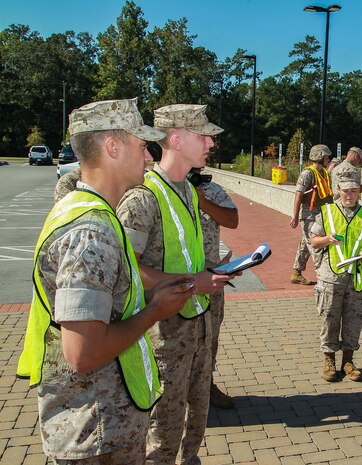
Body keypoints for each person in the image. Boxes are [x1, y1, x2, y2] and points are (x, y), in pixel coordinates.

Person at [17, 98, 198, 464]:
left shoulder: (89, 212)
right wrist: (155, 311)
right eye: (141, 145)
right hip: (97, 434)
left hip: (98, 424)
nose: (148, 156)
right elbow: (84, 353)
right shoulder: (91, 233)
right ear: (112, 148)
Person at [117, 104, 232, 465]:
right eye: (204, 135)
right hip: (162, 338)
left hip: (197, 330)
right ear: (177, 140)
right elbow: (126, 271)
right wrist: (194, 282)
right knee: (162, 439)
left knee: (194, 427)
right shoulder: (143, 197)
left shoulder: (187, 191)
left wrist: (211, 273)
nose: (211, 142)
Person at [310, 169, 362, 382]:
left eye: (353, 190)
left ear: (359, 191)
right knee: (330, 318)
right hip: (331, 275)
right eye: (345, 191)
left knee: (354, 319)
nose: (349, 194)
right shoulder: (327, 212)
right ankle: (329, 359)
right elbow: (314, 241)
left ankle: (348, 361)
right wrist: (327, 239)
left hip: (357, 276)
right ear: (338, 191)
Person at [189, 166, 240, 409]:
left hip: (212, 280)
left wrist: (203, 202)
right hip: (174, 282)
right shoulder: (158, 191)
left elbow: (232, 220)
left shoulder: (211, 190)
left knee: (210, 338)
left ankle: (206, 387)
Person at [289, 144, 333, 285]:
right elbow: (298, 194)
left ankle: (296, 272)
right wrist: (295, 216)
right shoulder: (307, 173)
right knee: (315, 245)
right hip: (308, 214)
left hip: (320, 213)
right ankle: (323, 276)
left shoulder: (323, 172)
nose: (328, 159)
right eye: (326, 156)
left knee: (305, 243)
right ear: (319, 157)